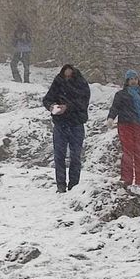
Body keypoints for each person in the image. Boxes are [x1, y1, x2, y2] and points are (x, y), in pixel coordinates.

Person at [42, 63, 91, 192]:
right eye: (66, 75)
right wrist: (52, 106)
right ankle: (61, 185)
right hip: (60, 124)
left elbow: (83, 103)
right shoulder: (58, 83)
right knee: (59, 156)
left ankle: (74, 185)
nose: (67, 77)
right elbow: (47, 99)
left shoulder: (81, 84)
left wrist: (67, 107)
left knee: (75, 156)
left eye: (70, 75)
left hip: (76, 124)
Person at [106, 70, 140, 190]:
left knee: (139, 152)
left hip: (139, 124)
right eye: (131, 79)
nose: (134, 81)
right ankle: (126, 179)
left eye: (135, 78)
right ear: (127, 81)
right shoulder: (121, 94)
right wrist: (111, 118)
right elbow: (115, 107)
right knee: (127, 152)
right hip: (125, 125)